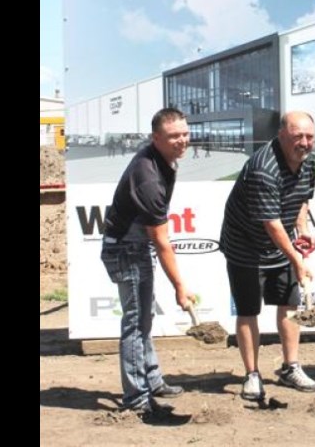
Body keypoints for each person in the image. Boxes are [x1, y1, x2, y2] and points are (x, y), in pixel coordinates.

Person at [100, 108, 195, 419]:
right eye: (173, 137)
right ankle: (137, 397)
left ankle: (152, 381)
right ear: (156, 138)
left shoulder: (162, 159)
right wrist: (181, 287)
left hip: (133, 245)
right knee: (135, 324)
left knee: (143, 320)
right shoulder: (148, 178)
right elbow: (162, 241)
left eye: (184, 133)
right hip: (126, 249)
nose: (181, 140)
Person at [219, 111, 315, 400]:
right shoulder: (264, 168)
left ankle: (290, 367)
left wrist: (301, 229)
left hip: (281, 241)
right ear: (281, 135)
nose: (304, 142)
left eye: (309, 136)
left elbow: (303, 197)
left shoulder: (309, 161)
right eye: (297, 136)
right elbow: (272, 224)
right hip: (245, 246)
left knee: (288, 305)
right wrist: (297, 260)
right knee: (248, 310)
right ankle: (252, 374)